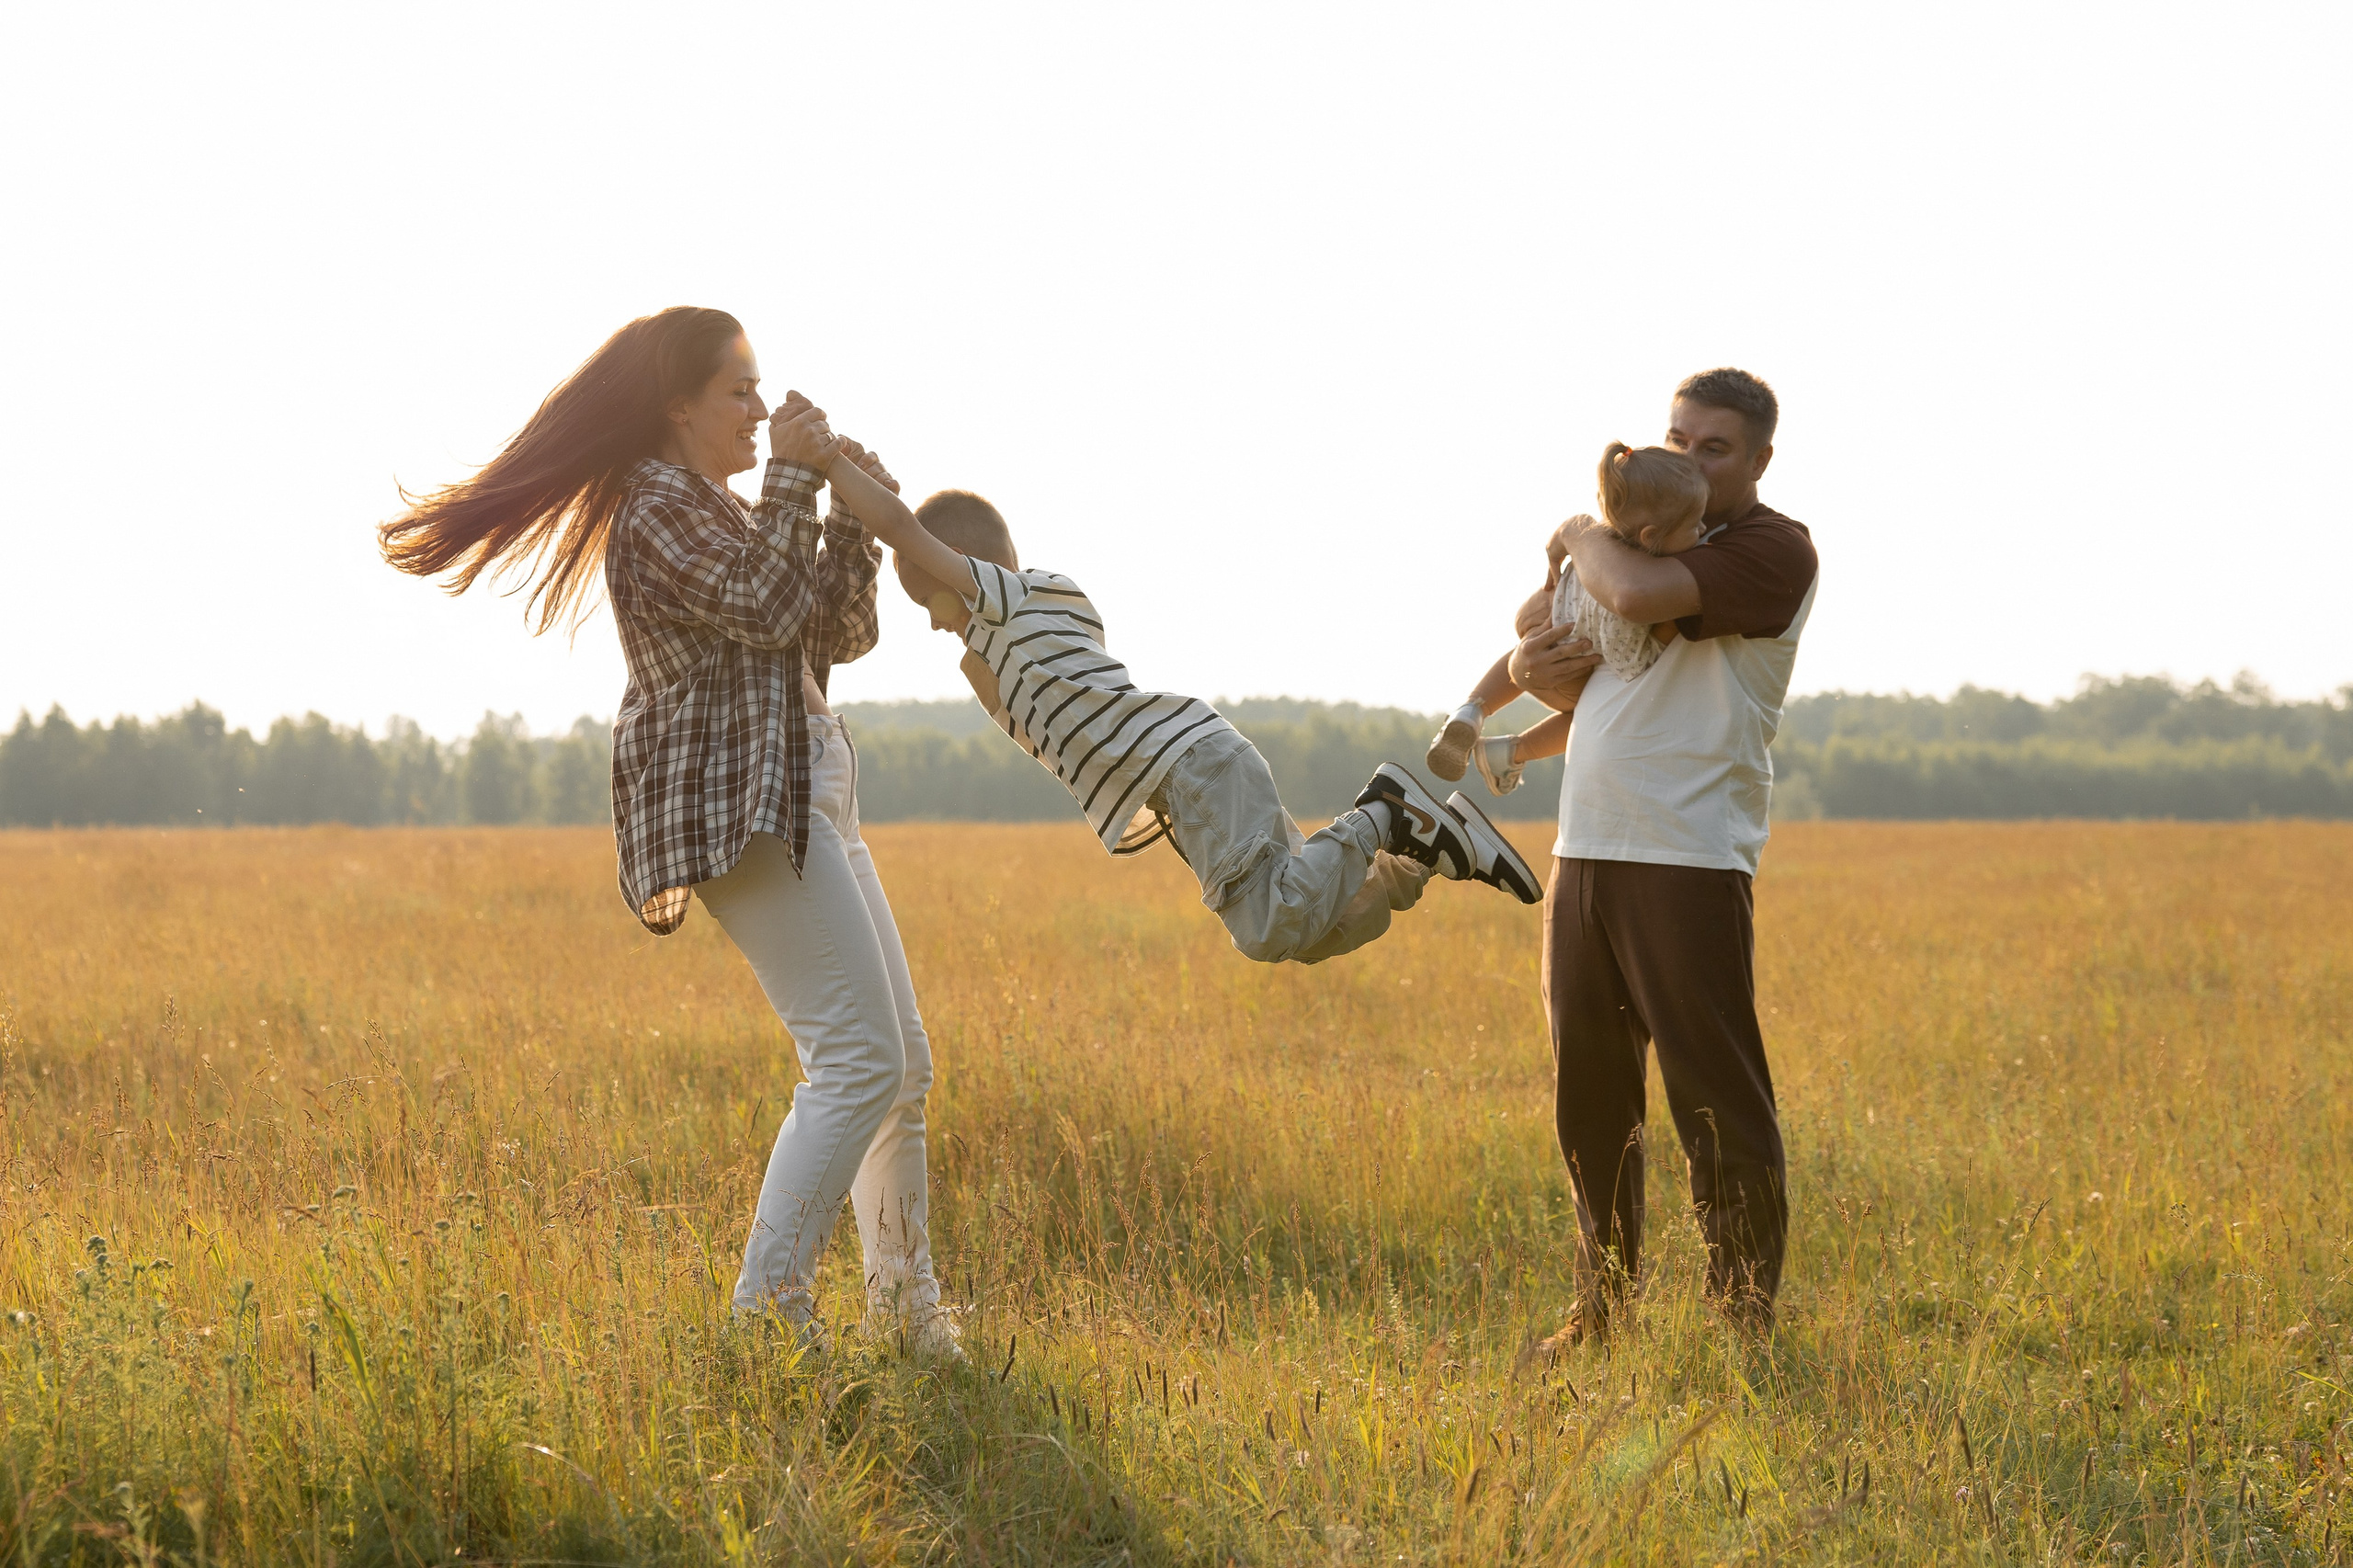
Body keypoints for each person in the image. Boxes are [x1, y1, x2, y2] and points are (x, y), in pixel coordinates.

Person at [377, 307, 958, 1358]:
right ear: (677, 407)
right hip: (743, 808)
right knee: (857, 1058)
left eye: (758, 387)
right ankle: (766, 1316)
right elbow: (769, 608)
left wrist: (846, 522)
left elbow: (835, 633)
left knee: (900, 1064)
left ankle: (907, 1315)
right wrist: (792, 479)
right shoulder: (653, 509)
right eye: (738, 389)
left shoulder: (721, 506)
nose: (757, 405)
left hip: (809, 786)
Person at [811, 467, 1542, 966]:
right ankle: (1423, 845)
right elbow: (1013, 712)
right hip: (1189, 777)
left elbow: (904, 527)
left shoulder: (1013, 595)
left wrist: (836, 469)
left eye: (930, 602)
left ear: (961, 568)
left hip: (1191, 770)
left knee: (1265, 929)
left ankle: (1385, 814)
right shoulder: (1020, 643)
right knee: (1324, 928)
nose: (935, 624)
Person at [1515, 368, 1818, 1341]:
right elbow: (1567, 656)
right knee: (1588, 1096)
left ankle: (1743, 1318)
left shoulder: (1771, 550)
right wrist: (1524, 669)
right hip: (1586, 846)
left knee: (1713, 1093)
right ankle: (1598, 1307)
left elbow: (1636, 596)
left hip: (1686, 857)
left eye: (1714, 446)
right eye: (1677, 438)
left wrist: (1572, 530)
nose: (1687, 458)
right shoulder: (1643, 534)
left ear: (1759, 460)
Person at [1425, 443, 1712, 795]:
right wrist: (1667, 634)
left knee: (1527, 647)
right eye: (1695, 524)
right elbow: (1634, 668)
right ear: (1651, 536)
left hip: (1545, 630)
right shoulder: (1639, 588)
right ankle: (1512, 752)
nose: (1702, 529)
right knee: (1599, 706)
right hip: (1565, 666)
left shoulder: (1599, 550)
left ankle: (1471, 710)